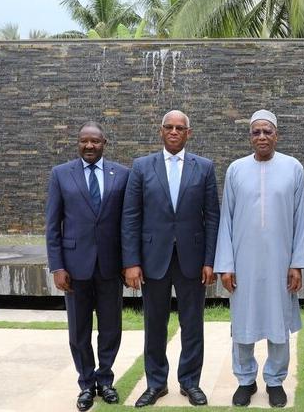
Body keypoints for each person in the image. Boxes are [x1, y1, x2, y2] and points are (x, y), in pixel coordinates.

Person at [121, 110, 220, 407]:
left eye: (180, 128)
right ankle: (156, 383)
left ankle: (190, 382)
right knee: (154, 324)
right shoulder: (142, 167)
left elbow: (212, 217)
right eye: (169, 127)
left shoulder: (204, 167)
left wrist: (210, 260)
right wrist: (131, 262)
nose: (174, 131)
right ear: (161, 131)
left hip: (192, 259)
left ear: (189, 133)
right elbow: (130, 217)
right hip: (153, 258)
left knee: (193, 324)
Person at [214, 109, 304, 408]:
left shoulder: (293, 168)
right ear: (250, 137)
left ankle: (275, 381)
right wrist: (226, 266)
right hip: (243, 263)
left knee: (278, 322)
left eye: (268, 131)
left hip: (281, 263)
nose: (262, 137)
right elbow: (226, 220)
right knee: (243, 322)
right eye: (257, 132)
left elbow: (301, 220)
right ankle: (245, 380)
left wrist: (297, 263)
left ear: (277, 135)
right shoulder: (236, 169)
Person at [45, 121, 130, 411]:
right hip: (74, 268)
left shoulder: (122, 174)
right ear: (78, 143)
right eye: (84, 141)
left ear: (105, 143)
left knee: (111, 328)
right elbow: (52, 225)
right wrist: (57, 266)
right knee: (78, 331)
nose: (89, 145)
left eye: (95, 141)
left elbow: (127, 224)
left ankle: (105, 381)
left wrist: (129, 262)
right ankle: (85, 383)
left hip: (110, 266)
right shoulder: (60, 174)